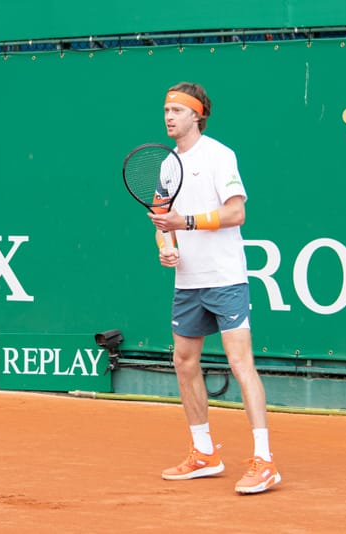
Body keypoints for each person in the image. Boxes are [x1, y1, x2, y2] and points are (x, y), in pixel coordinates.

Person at [148, 82, 281, 494]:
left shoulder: (220, 156)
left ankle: (265, 461)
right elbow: (160, 220)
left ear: (197, 115)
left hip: (225, 277)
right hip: (188, 282)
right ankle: (204, 453)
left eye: (177, 110)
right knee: (184, 361)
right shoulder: (167, 165)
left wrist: (185, 223)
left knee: (241, 364)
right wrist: (166, 247)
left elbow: (236, 213)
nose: (169, 117)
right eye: (166, 110)